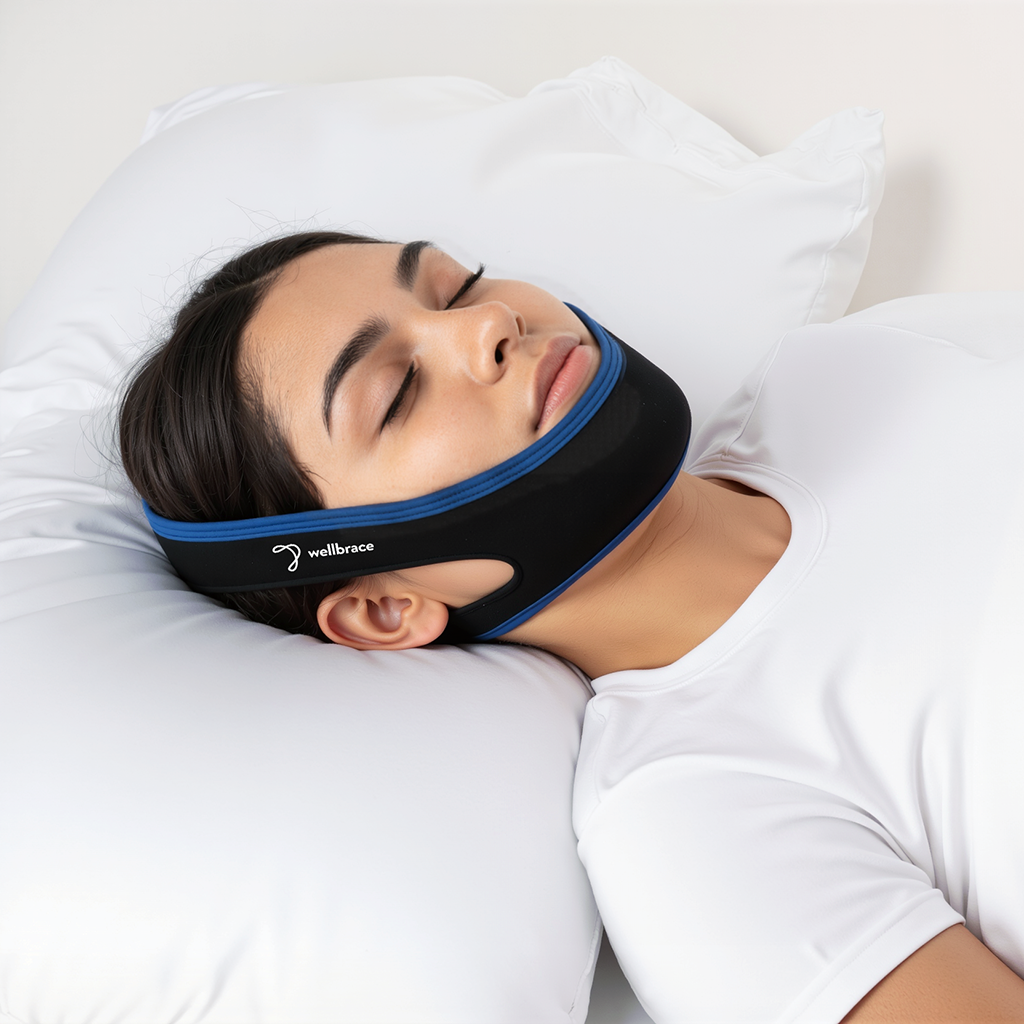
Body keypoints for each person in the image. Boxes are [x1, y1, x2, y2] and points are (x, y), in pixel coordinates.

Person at [119, 230, 1024, 1022]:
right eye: (395, 393)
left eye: (458, 287)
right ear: (383, 608)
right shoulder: (697, 825)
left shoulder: (845, 368)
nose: (489, 324)